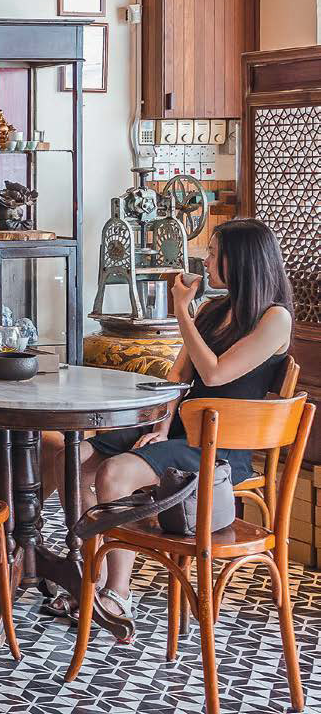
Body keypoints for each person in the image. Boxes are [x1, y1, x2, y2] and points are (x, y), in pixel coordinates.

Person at [84, 219, 294, 637]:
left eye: (214, 253)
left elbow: (214, 374)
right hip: (181, 429)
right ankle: (86, 573)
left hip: (222, 448)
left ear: (241, 260)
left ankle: (118, 592)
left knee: (114, 473)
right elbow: (178, 378)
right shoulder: (215, 309)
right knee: (73, 457)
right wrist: (162, 427)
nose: (206, 261)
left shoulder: (275, 318)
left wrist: (181, 310)